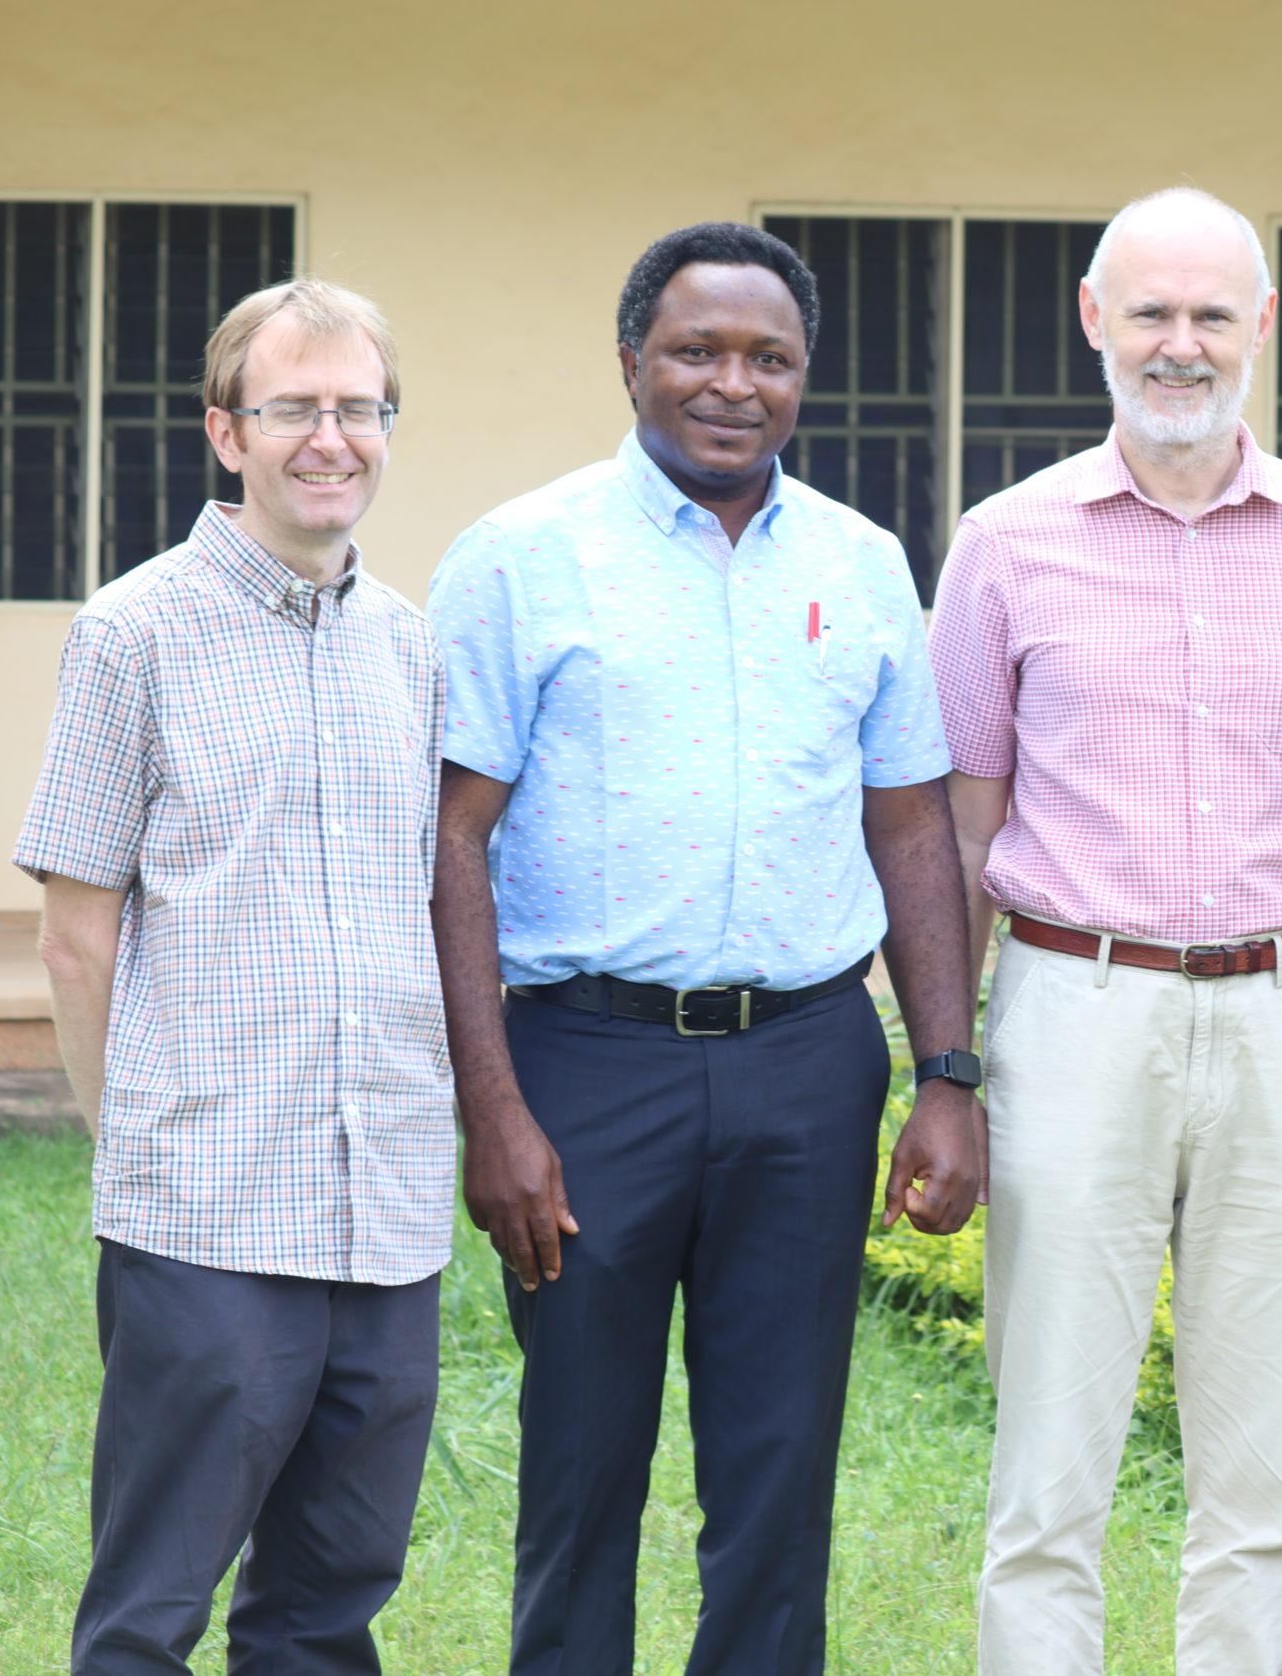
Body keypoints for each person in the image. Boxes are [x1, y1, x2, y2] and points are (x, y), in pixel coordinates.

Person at [426, 221, 983, 1676]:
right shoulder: (521, 558)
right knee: (580, 1473)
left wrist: (947, 1073)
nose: (733, 383)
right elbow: (453, 839)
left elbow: (915, 828)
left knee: (780, 1472)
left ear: (804, 377)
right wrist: (496, 1113)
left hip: (807, 1065)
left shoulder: (863, 565)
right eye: (696, 351)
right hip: (585, 1067)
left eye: (768, 357)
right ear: (631, 365)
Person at [929, 186, 1282, 1676]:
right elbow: (956, 822)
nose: (1182, 344)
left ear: (1263, 328)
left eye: (1213, 313)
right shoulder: (1007, 545)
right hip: (1081, 1010)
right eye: (1151, 311)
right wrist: (944, 1067)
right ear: (1096, 322)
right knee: (1050, 1461)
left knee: (1261, 1473)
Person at [17, 279, 445, 1674]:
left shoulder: (411, 647)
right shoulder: (132, 636)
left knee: (332, 1606)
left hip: (382, 1208)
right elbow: (77, 935)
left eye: (357, 408)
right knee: (151, 1610)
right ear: (227, 433)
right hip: (205, 1209)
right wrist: (135, 1147)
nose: (332, 437)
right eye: (294, 408)